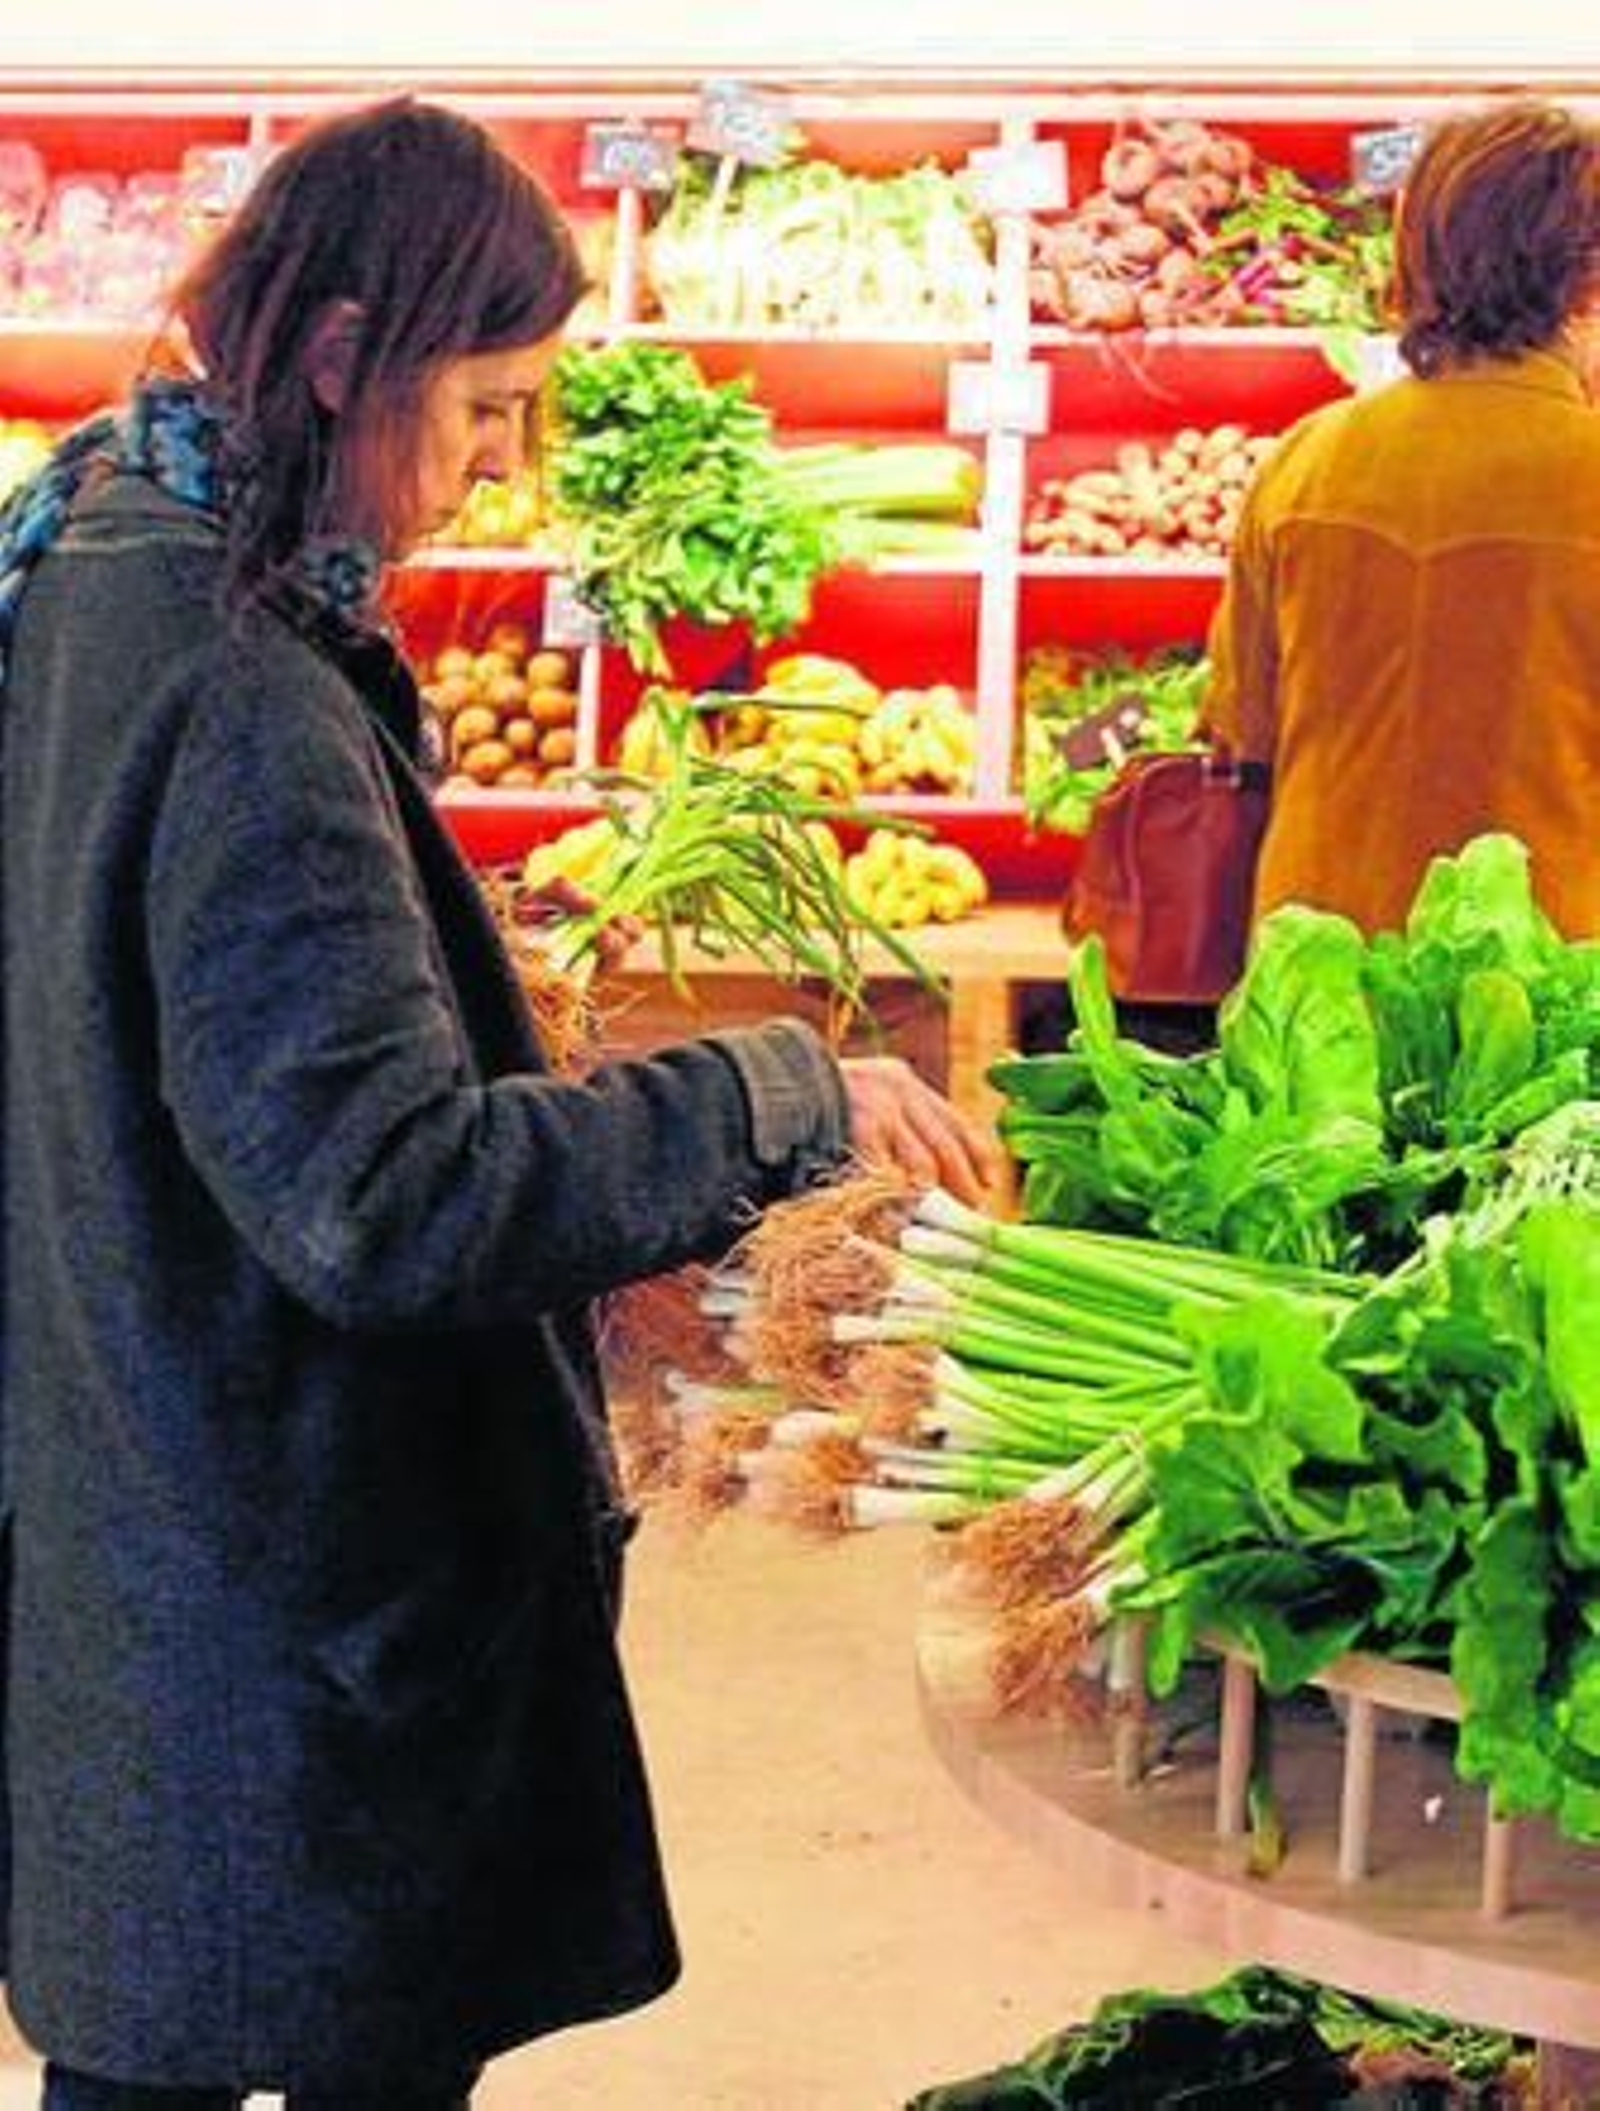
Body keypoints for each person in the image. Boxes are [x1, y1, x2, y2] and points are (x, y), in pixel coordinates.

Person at [0, 99, 995, 2108]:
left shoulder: (87, 559)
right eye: (483, 407)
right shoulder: (244, 686)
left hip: (137, 1501)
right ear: (342, 354)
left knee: (145, 2043)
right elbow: (389, 1195)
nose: (496, 467)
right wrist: (769, 1091)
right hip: (293, 1584)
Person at [1205, 98, 1600, 938]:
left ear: (1413, 258)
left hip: (1317, 963)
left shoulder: (1306, 459)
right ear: (1583, 280)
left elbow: (1244, 730)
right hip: (1545, 973)